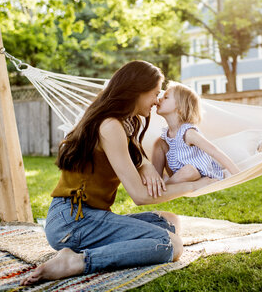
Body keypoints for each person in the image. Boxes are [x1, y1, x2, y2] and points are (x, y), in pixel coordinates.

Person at [20, 61, 212, 286]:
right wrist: (194, 186)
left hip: (83, 216)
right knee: (170, 245)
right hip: (73, 222)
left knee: (169, 222)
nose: (156, 100)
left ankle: (93, 248)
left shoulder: (120, 122)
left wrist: (146, 165)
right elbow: (140, 197)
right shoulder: (110, 125)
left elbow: (133, 158)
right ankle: (78, 261)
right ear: (136, 91)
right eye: (154, 93)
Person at [151, 82, 240, 185]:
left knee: (190, 170)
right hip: (178, 175)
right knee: (158, 143)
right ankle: (155, 182)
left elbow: (215, 151)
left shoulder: (188, 133)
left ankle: (165, 187)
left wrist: (238, 175)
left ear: (180, 108)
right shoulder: (166, 136)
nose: (160, 99)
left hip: (200, 175)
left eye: (166, 97)